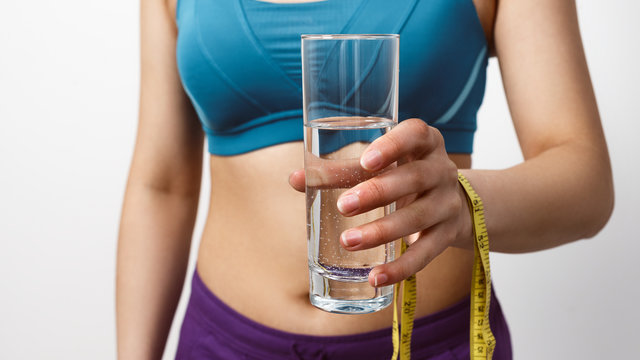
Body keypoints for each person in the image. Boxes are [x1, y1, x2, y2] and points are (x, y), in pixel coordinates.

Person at [116, 0, 614, 358]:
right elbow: (162, 184)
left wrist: (462, 202)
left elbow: (585, 182)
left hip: (428, 343)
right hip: (222, 342)